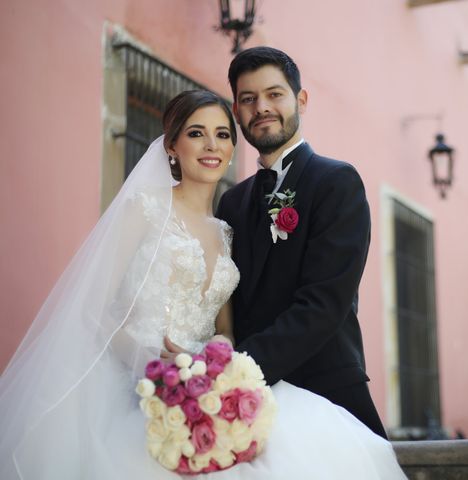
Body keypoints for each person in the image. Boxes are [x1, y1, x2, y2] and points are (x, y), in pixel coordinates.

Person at [0, 89, 407, 479]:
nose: (212, 145)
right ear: (172, 146)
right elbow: (94, 307)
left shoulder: (227, 230)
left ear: (232, 149)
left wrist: (218, 359)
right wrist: (151, 363)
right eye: (197, 133)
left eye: (223, 135)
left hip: (205, 385)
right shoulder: (143, 209)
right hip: (132, 382)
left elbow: (224, 327)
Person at [215, 46, 388, 439]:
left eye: (274, 94)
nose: (262, 107)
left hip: (324, 396)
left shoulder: (337, 183)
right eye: (248, 99)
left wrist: (235, 369)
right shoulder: (231, 202)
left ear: (301, 100)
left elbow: (323, 305)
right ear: (237, 111)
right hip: (242, 409)